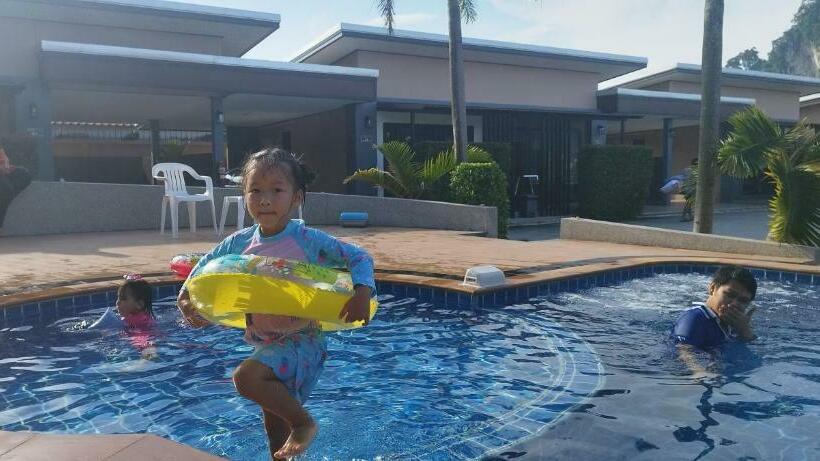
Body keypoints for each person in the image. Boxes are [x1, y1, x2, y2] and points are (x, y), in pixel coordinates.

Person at [176, 148, 375, 460]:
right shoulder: (238, 243)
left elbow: (359, 257)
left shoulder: (307, 240)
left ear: (296, 197)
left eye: (276, 190)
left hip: (303, 340)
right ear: (244, 196)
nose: (265, 200)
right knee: (275, 432)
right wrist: (187, 299)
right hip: (267, 342)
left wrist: (362, 292)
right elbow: (201, 268)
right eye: (255, 190)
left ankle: (305, 423)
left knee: (246, 377)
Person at [671, 266, 757, 374]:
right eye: (730, 295)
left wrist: (744, 331)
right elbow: (683, 349)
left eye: (743, 301)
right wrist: (699, 372)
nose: (735, 304)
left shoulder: (733, 324)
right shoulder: (694, 318)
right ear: (712, 288)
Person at [0, 145, 32, 229]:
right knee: (5, 188)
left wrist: (6, 166)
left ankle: (8, 194)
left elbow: (4, 158)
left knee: (24, 174)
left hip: (3, 172)